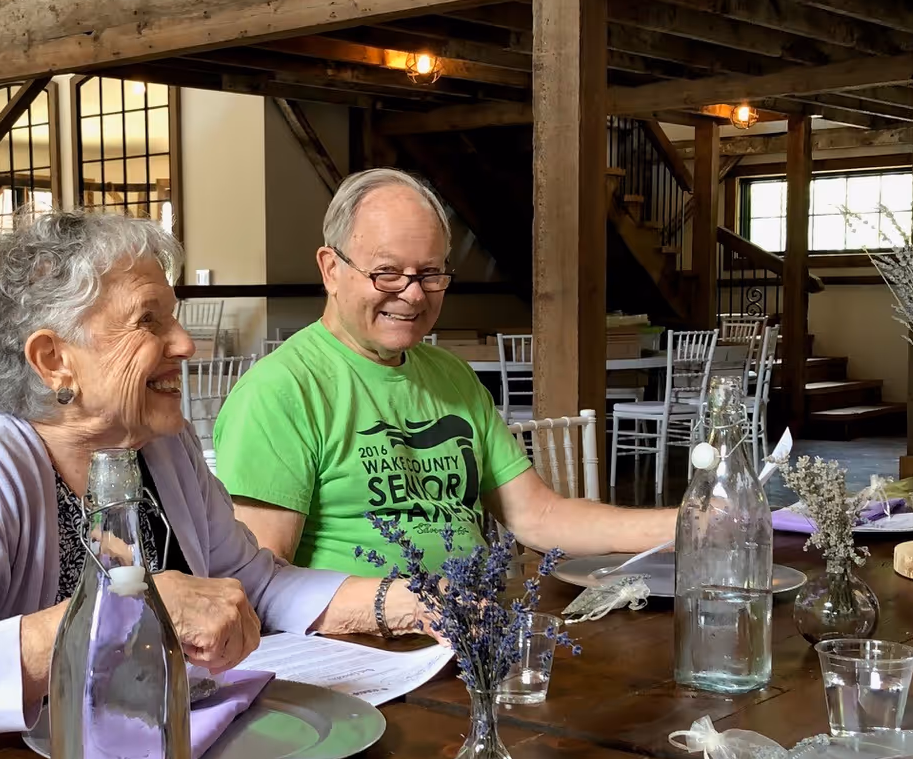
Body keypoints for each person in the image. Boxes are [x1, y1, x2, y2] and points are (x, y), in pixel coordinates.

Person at [0, 211, 426, 754]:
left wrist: (407, 603)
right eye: (149, 321)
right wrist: (122, 613)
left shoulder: (161, 447)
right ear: (54, 360)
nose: (185, 343)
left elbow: (255, 584)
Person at [212, 168, 675, 577]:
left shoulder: (451, 375)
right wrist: (400, 608)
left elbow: (539, 515)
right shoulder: (280, 390)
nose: (413, 296)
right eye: (388, 273)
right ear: (331, 269)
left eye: (430, 273)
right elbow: (263, 580)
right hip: (362, 651)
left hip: (473, 632)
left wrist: (689, 523)